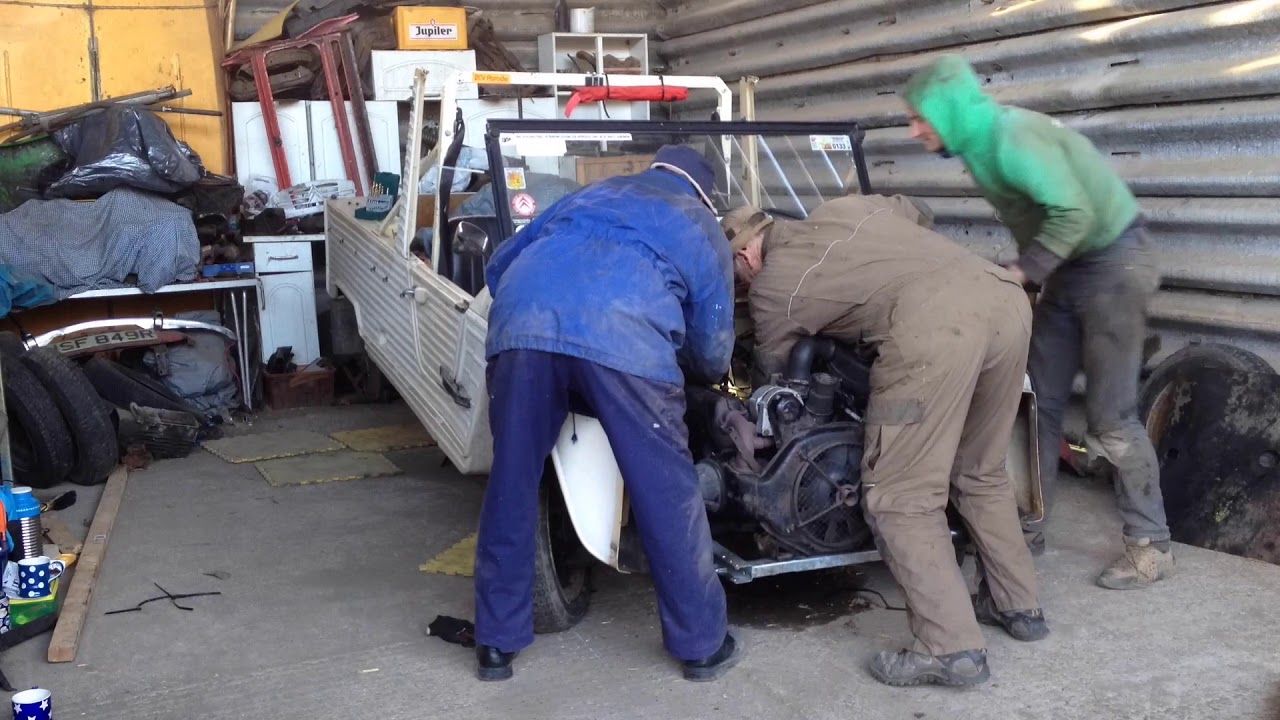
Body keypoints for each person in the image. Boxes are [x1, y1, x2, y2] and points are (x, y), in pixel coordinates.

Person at [722, 194, 1046, 688]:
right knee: (980, 470)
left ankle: (950, 647)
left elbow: (775, 382)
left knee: (900, 496)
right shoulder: (845, 208)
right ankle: (1019, 606)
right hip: (1004, 298)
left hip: (934, 330)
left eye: (738, 274)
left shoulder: (773, 288)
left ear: (746, 255)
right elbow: (917, 206)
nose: (744, 285)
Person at [903, 55, 1174, 590]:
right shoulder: (978, 143)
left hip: (1114, 264)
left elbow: (1074, 213)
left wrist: (1021, 273)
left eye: (920, 119)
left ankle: (1151, 545)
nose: (913, 131)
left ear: (948, 111)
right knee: (1033, 405)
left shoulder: (1010, 138)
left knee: (1111, 419)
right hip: (1073, 268)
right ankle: (1024, 530)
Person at [474, 145, 741, 683]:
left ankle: (495, 646)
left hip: (522, 331)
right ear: (705, 193)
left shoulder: (589, 195)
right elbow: (713, 347)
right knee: (667, 492)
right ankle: (701, 646)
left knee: (512, 484)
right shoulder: (698, 222)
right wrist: (699, 375)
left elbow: (500, 264)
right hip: (626, 345)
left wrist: (544, 313)